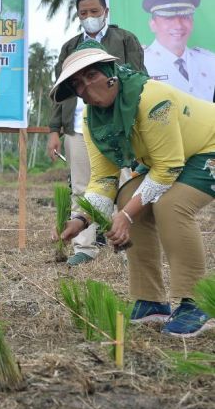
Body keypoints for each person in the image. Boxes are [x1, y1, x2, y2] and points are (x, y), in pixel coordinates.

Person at [51, 40, 215, 337]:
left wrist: (125, 217)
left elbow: (167, 169)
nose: (86, 90)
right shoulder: (92, 118)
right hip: (172, 159)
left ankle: (197, 302)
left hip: (208, 148)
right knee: (127, 196)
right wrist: (81, 220)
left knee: (171, 205)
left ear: (110, 74)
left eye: (91, 77)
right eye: (77, 84)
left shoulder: (152, 98)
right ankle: (151, 300)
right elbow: (103, 179)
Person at [47, 0, 147, 267]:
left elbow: (140, 80)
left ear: (106, 12)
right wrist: (54, 130)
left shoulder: (125, 40)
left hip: (118, 125)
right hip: (78, 127)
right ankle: (85, 247)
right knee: (81, 186)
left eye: (94, 11)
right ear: (78, 16)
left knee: (126, 185)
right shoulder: (70, 47)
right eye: (83, 13)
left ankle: (129, 247)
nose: (89, 17)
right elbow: (60, 93)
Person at [142, 0, 215, 102]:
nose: (178, 25)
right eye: (168, 18)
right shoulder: (140, 64)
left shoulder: (210, 62)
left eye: (185, 17)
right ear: (152, 24)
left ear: (192, 22)